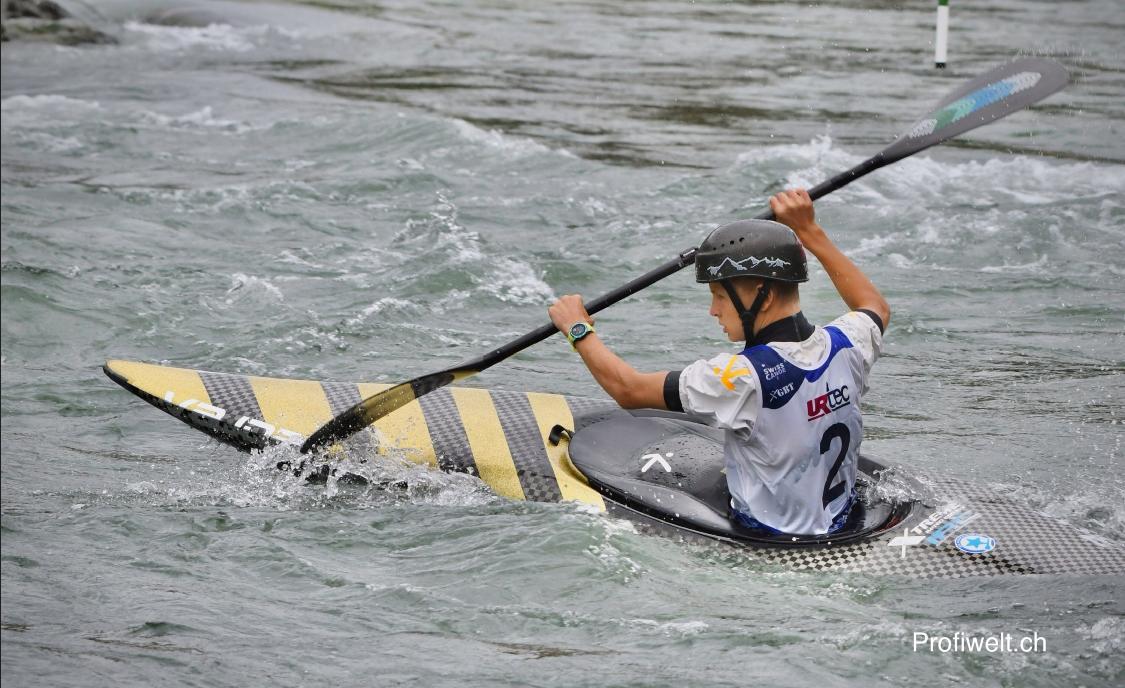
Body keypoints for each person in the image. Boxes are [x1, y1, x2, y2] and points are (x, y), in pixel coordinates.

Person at [547, 189, 889, 535]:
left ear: (763, 294)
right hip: (840, 522)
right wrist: (810, 231)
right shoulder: (849, 342)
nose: (713, 310)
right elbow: (873, 305)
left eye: (720, 296)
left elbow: (628, 390)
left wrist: (577, 328)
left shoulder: (741, 378)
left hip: (770, 538)